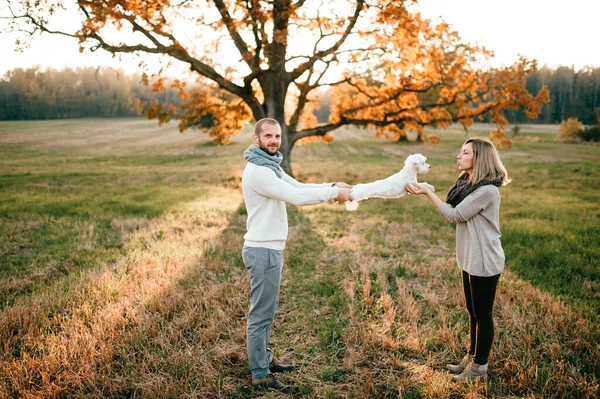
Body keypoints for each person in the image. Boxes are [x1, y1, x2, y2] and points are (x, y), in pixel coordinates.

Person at [241, 118, 353, 390]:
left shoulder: (271, 166)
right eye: (268, 136)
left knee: (267, 312)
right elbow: (297, 198)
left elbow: (300, 187)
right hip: (262, 250)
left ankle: (265, 361)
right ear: (256, 139)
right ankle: (260, 374)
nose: (273, 141)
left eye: (277, 136)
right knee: (261, 315)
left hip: (270, 248)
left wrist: (332, 186)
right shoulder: (259, 171)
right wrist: (334, 194)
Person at [406, 138, 510, 382]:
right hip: (471, 257)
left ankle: (478, 369)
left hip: (484, 260)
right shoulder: (469, 183)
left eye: (465, 153)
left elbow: (454, 215)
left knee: (483, 315)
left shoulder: (486, 191)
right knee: (472, 312)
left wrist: (427, 192)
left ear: (478, 159)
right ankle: (472, 357)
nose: (459, 156)